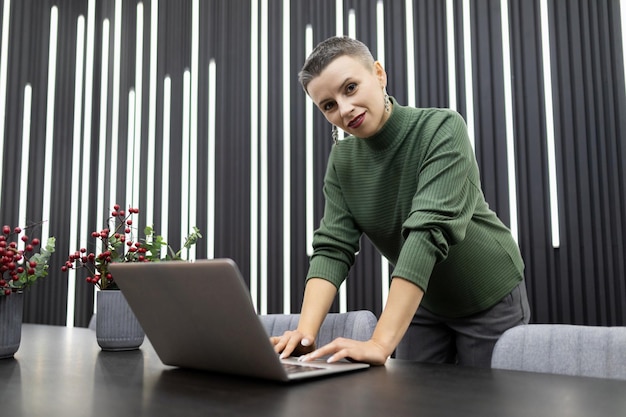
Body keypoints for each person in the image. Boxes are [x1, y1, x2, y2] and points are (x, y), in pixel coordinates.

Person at [271, 36, 530, 368]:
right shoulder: (342, 161)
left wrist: (380, 342)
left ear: (379, 74)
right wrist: (304, 335)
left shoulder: (441, 128)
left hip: (487, 294)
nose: (344, 109)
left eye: (350, 88)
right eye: (329, 105)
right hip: (424, 301)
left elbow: (426, 234)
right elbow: (333, 248)